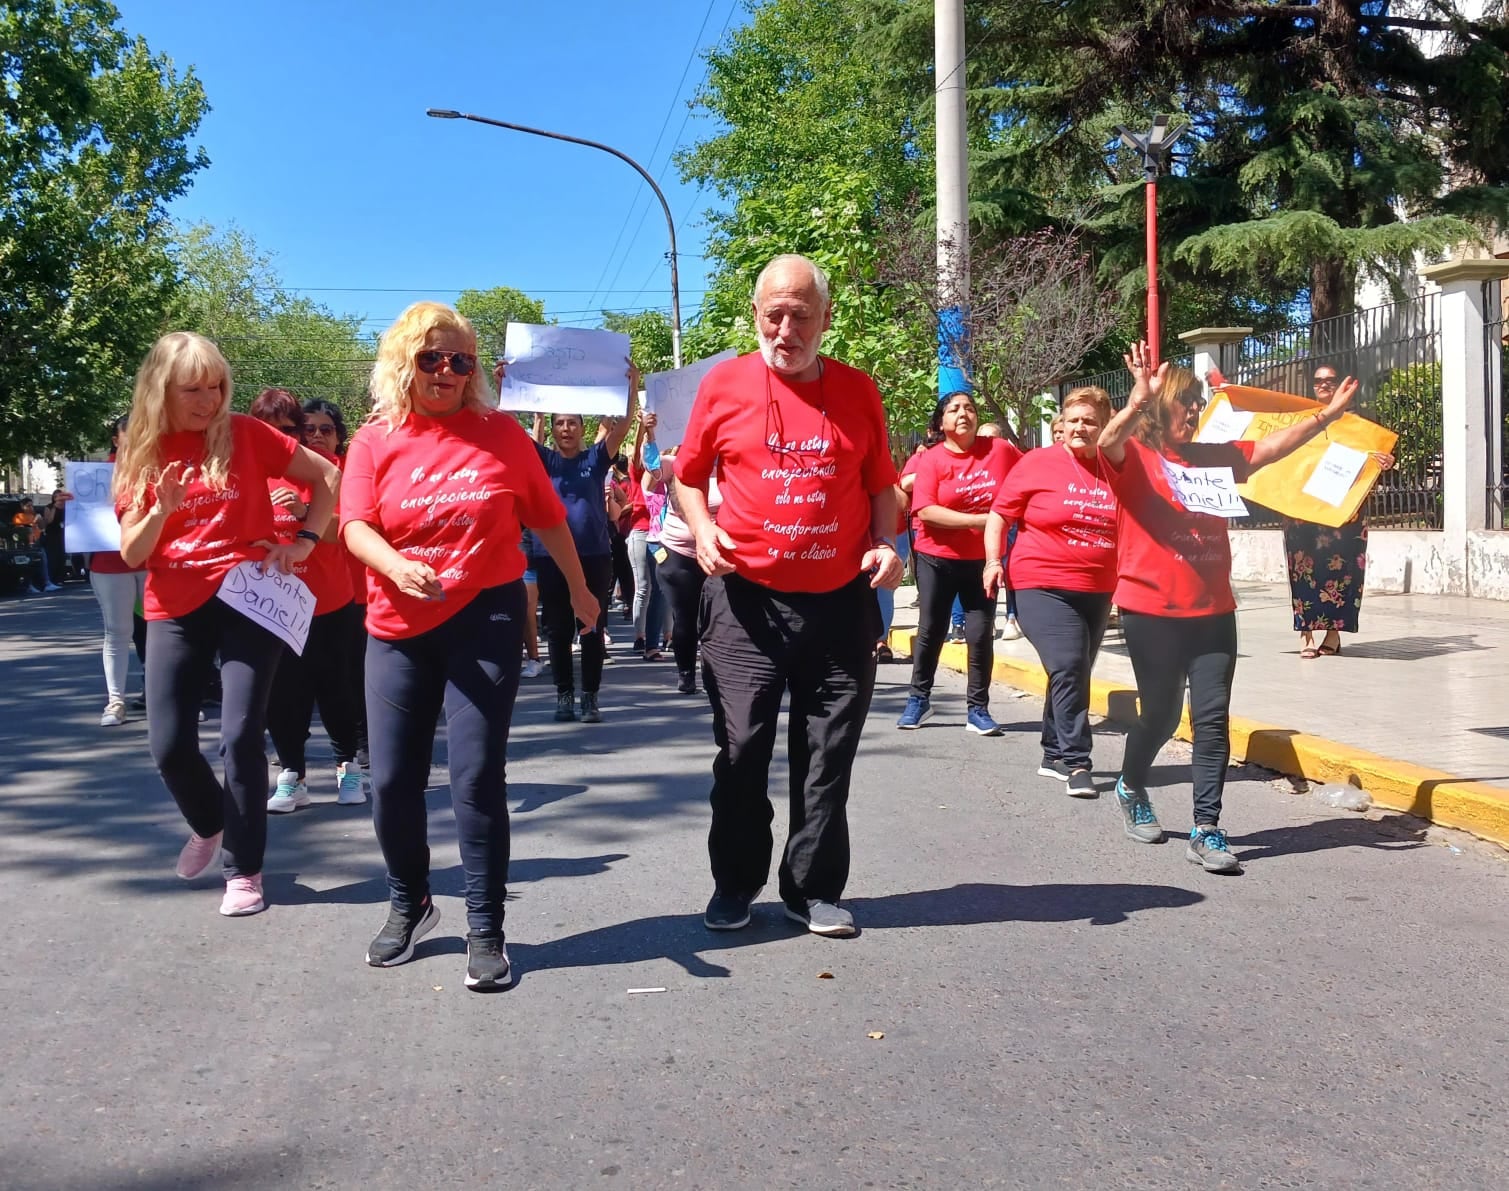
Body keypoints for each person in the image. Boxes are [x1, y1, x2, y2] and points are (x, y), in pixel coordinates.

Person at [343, 301, 596, 991]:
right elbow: (355, 525)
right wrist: (393, 566)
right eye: (431, 358)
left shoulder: (499, 435)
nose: (446, 371)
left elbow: (546, 518)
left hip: (483, 617)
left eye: (460, 360)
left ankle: (486, 926)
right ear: (403, 363)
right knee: (392, 781)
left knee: (476, 777)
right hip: (397, 624)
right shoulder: (374, 440)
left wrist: (579, 590)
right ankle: (410, 901)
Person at [675, 253, 902, 938]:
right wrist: (704, 527)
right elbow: (686, 477)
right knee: (741, 751)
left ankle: (812, 888)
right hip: (746, 604)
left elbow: (881, 485)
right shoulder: (722, 385)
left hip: (837, 605)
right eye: (773, 312)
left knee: (827, 755)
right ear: (755, 313)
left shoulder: (859, 391)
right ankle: (735, 881)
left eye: (800, 314)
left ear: (824, 318)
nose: (785, 327)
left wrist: (887, 544)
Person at [1097, 341, 1356, 874]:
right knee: (1163, 714)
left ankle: (1206, 828)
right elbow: (1107, 440)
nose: (1195, 412)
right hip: (1152, 612)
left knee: (1212, 721)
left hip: (1214, 611)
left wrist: (1325, 416)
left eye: (1198, 404)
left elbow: (1270, 449)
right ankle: (1130, 784)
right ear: (1160, 406)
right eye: (1186, 403)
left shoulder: (1212, 458)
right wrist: (1136, 400)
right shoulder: (1135, 461)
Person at [114, 331, 341, 917]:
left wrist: (305, 543)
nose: (209, 400)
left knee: (239, 736)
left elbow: (328, 480)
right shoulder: (140, 449)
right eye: (194, 389)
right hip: (176, 601)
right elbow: (135, 554)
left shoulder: (244, 432)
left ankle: (245, 871)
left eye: (217, 386)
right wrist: (161, 509)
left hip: (249, 596)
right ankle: (211, 822)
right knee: (168, 744)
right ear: (161, 389)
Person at [984, 387, 1117, 797]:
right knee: (1069, 664)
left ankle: (1053, 752)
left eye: (1090, 421)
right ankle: (1078, 762)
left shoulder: (1117, 467)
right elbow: (999, 516)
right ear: (1061, 425)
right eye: (1074, 419)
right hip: (1040, 582)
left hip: (1097, 587)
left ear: (1106, 426)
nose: (1081, 427)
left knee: (1072, 671)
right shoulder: (1036, 464)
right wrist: (992, 562)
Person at [248, 389, 366, 812]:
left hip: (331, 602)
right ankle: (292, 776)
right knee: (284, 695)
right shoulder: (252, 473)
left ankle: (348, 769)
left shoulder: (329, 470)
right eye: (268, 429)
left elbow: (351, 532)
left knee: (337, 690)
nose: (283, 437)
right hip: (273, 604)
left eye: (289, 429)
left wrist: (303, 512)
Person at [897, 390, 1021, 735]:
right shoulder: (931, 460)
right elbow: (926, 511)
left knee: (981, 635)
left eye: (969, 408)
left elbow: (1029, 477)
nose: (963, 413)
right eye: (954, 409)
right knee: (931, 629)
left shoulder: (999, 451)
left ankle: (978, 709)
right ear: (941, 422)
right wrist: (984, 521)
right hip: (936, 557)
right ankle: (918, 699)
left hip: (982, 559)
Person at [522, 380, 639, 723]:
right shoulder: (544, 460)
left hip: (594, 557)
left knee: (590, 626)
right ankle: (564, 694)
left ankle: (590, 696)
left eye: (572, 422)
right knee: (558, 630)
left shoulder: (595, 458)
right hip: (550, 557)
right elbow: (509, 431)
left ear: (582, 428)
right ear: (553, 430)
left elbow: (624, 423)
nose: (566, 428)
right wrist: (508, 387)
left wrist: (630, 386)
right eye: (559, 423)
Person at [1277, 365, 1396, 658]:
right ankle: (1305, 634)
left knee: (1343, 572)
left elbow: (1375, 458)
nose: (1324, 386)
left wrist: (1386, 462)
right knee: (1302, 570)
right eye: (1318, 381)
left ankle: (1333, 633)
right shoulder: (1302, 419)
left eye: (1330, 380)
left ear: (1342, 384)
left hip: (1345, 511)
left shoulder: (1360, 424)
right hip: (1302, 509)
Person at [302, 398, 373, 763]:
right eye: (308, 429)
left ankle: (364, 742)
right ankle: (291, 749)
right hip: (307, 593)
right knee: (312, 677)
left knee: (356, 671)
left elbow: (346, 528)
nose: (316, 436)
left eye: (325, 429)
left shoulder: (350, 473)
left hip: (358, 588)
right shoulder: (292, 474)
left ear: (338, 435)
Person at [90, 416, 148, 725]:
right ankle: (115, 701)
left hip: (151, 561)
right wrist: (66, 506)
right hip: (111, 564)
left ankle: (164, 697)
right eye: (131, 435)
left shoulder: (157, 469)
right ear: (116, 439)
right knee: (118, 631)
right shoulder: (95, 475)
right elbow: (82, 514)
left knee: (161, 631)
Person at [658, 449, 719, 693]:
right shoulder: (674, 464)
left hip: (718, 554)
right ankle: (686, 673)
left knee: (716, 618)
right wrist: (650, 434)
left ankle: (717, 674)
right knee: (686, 615)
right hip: (679, 553)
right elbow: (650, 464)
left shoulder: (730, 464)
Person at [11, 498, 58, 592]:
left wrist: (40, 519)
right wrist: (34, 522)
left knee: (43, 561)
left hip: (37, 542)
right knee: (28, 565)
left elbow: (43, 527)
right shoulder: (19, 516)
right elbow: (22, 529)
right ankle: (29, 585)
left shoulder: (35, 515)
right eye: (28, 505)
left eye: (32, 505)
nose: (30, 507)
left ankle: (46, 582)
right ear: (22, 506)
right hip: (25, 544)